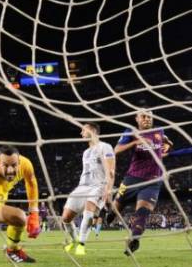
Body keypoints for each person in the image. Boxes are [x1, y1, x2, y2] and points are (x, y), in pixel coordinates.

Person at [106, 109, 173, 255]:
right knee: (117, 206)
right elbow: (116, 150)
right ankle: (111, 214)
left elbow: (167, 140)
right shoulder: (130, 132)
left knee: (143, 211)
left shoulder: (159, 130)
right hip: (132, 178)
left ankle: (134, 239)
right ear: (137, 119)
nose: (147, 119)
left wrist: (168, 145)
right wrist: (136, 141)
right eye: (143, 116)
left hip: (153, 180)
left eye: (149, 117)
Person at [61, 123, 115, 255]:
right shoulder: (85, 153)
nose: (81, 133)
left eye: (83, 130)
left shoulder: (105, 147)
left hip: (99, 185)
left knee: (89, 210)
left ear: (92, 131)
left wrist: (108, 189)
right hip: (82, 186)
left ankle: (81, 244)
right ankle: (74, 241)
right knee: (66, 218)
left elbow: (111, 171)